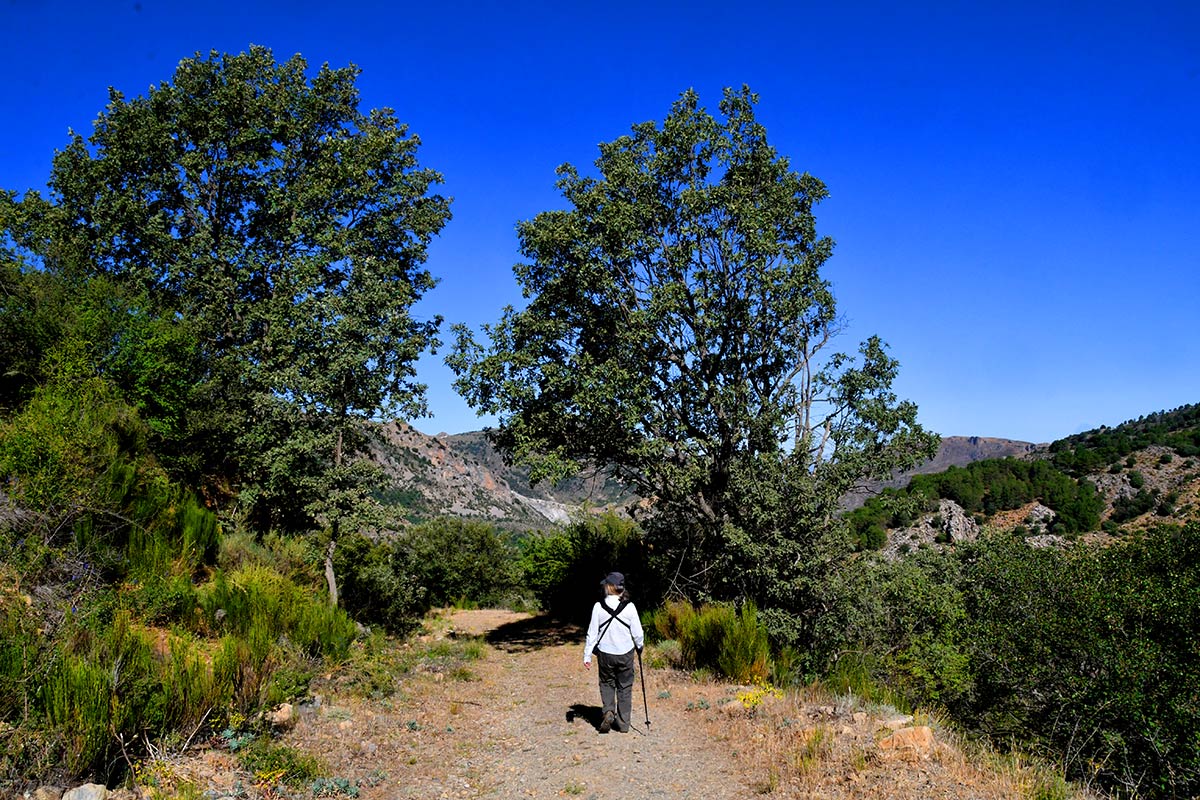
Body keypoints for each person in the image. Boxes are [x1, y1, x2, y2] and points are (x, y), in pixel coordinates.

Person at [582, 571, 644, 733]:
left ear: (608, 587)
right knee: (624, 687)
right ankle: (623, 724)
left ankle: (609, 711)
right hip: (626, 653)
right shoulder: (629, 607)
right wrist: (640, 646)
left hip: (605, 654)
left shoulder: (598, 607)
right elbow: (638, 633)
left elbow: (592, 633)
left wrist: (587, 655)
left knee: (607, 683)